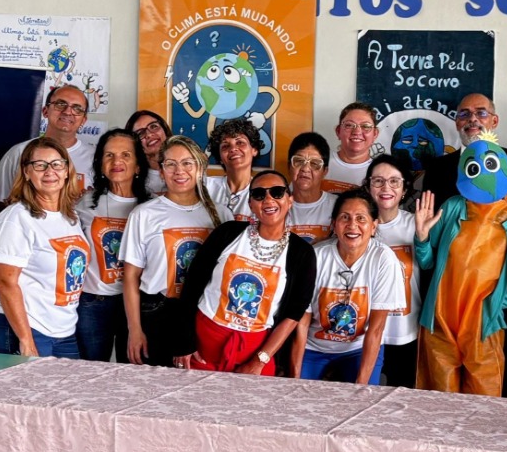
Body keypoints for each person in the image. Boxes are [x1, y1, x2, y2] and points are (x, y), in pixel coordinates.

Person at [413, 134, 507, 396]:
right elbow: (427, 263)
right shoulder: (452, 208)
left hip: (483, 327)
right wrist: (422, 238)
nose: (482, 172)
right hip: (440, 322)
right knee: (438, 403)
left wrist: (501, 299)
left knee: (483, 405)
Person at [181, 170, 315, 375]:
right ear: (251, 204)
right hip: (203, 344)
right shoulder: (227, 233)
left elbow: (294, 313)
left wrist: (259, 361)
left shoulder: (302, 253)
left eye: (277, 192)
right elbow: (192, 286)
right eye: (259, 194)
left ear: (290, 200)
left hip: (256, 350)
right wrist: (184, 341)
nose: (268, 199)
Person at [122, 135, 224, 367]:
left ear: (200, 168)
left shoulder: (221, 214)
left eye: (187, 163)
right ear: (161, 171)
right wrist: (134, 329)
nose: (179, 171)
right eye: (171, 164)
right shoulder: (144, 214)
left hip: (202, 313)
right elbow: (130, 276)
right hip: (157, 313)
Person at [0, 139, 91, 358]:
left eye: (57, 164)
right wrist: (26, 340)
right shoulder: (16, 218)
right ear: (26, 172)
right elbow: (4, 282)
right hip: (22, 329)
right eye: (40, 165)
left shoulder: (69, 216)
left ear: (67, 171)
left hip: (63, 330)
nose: (50, 171)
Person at [294, 191, 406, 384]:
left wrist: (360, 386)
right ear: (333, 224)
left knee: (363, 397)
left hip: (358, 348)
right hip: (313, 346)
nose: (352, 225)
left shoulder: (384, 259)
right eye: (345, 217)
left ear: (373, 226)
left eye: (361, 218)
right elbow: (302, 323)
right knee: (295, 395)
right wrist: (294, 377)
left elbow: (376, 329)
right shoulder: (316, 256)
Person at [77, 128, 147, 362]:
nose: (117, 161)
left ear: (138, 166)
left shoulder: (153, 206)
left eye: (126, 155)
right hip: (93, 302)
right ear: (100, 164)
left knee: (133, 370)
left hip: (138, 302)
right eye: (109, 155)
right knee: (90, 370)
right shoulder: (84, 202)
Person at [365, 155, 423, 387]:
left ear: (405, 189)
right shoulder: (358, 225)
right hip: (364, 330)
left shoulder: (416, 224)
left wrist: (425, 238)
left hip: (406, 331)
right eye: (378, 181)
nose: (386, 188)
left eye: (394, 181)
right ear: (368, 186)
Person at [423, 95, 507, 206]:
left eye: (481, 113)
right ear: (457, 123)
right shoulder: (436, 168)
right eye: (464, 114)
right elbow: (429, 215)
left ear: (494, 121)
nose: (472, 119)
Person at [0, 84, 94, 200]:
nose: (68, 112)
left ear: (83, 120)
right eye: (60, 104)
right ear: (45, 111)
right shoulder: (18, 153)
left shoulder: (95, 158)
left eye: (77, 108)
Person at [281, 132, 335, 241]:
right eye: (299, 161)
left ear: (325, 171)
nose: (305, 169)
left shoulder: (337, 206)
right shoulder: (277, 205)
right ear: (289, 166)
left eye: (314, 163)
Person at [206, 117, 260, 216]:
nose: (233, 149)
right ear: (219, 157)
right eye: (225, 146)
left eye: (240, 143)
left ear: (254, 150)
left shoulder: (264, 192)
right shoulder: (206, 186)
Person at [325, 103, 381, 192]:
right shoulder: (319, 163)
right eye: (349, 125)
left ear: (375, 134)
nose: (357, 132)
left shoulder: (380, 172)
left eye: (365, 126)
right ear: (338, 131)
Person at [127, 109, 170, 195]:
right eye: (140, 133)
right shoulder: (130, 180)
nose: (149, 135)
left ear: (164, 129)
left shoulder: (188, 168)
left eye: (153, 127)